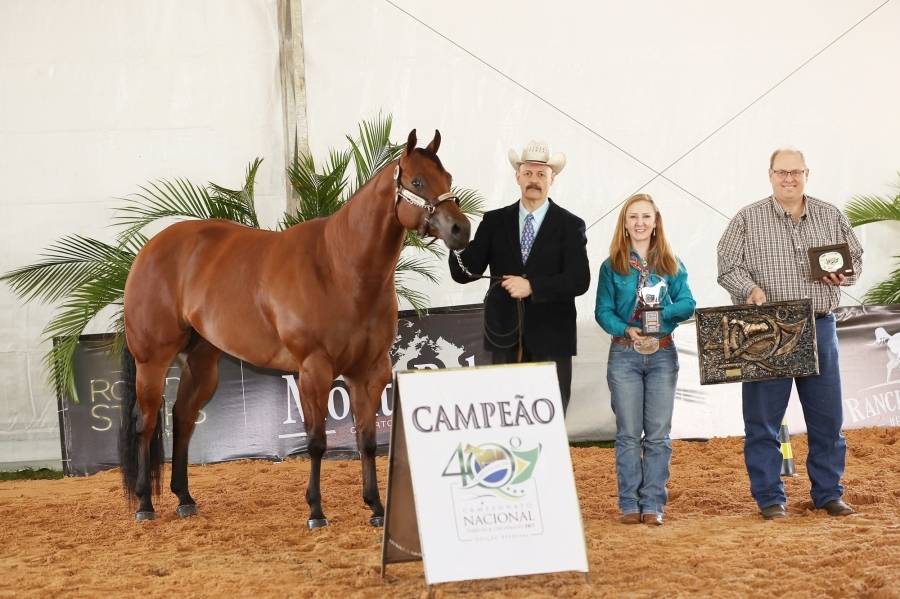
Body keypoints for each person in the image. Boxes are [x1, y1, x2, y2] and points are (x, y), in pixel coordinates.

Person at [717, 148, 863, 520]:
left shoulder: (830, 215)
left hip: (819, 324)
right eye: (782, 172)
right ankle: (770, 498)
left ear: (806, 174)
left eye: (796, 172)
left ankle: (828, 493)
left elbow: (856, 258)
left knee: (827, 419)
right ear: (770, 175)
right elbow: (727, 265)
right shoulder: (747, 219)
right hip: (767, 329)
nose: (789, 179)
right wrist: (749, 289)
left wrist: (844, 275)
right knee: (763, 420)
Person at [449, 140, 590, 414]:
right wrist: (455, 242)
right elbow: (465, 273)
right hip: (503, 334)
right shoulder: (494, 221)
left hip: (552, 336)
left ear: (552, 179)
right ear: (517, 177)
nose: (534, 180)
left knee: (550, 413)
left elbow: (579, 279)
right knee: (505, 412)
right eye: (528, 173)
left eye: (541, 174)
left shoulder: (571, 225)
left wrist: (533, 286)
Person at [595, 193, 695, 526]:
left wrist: (661, 316)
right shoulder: (612, 266)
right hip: (625, 353)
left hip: (662, 352)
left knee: (658, 434)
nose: (639, 223)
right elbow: (602, 311)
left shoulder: (671, 264)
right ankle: (629, 503)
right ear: (624, 224)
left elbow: (688, 304)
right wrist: (627, 328)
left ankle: (652, 503)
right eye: (633, 217)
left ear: (655, 222)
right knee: (627, 433)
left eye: (645, 217)